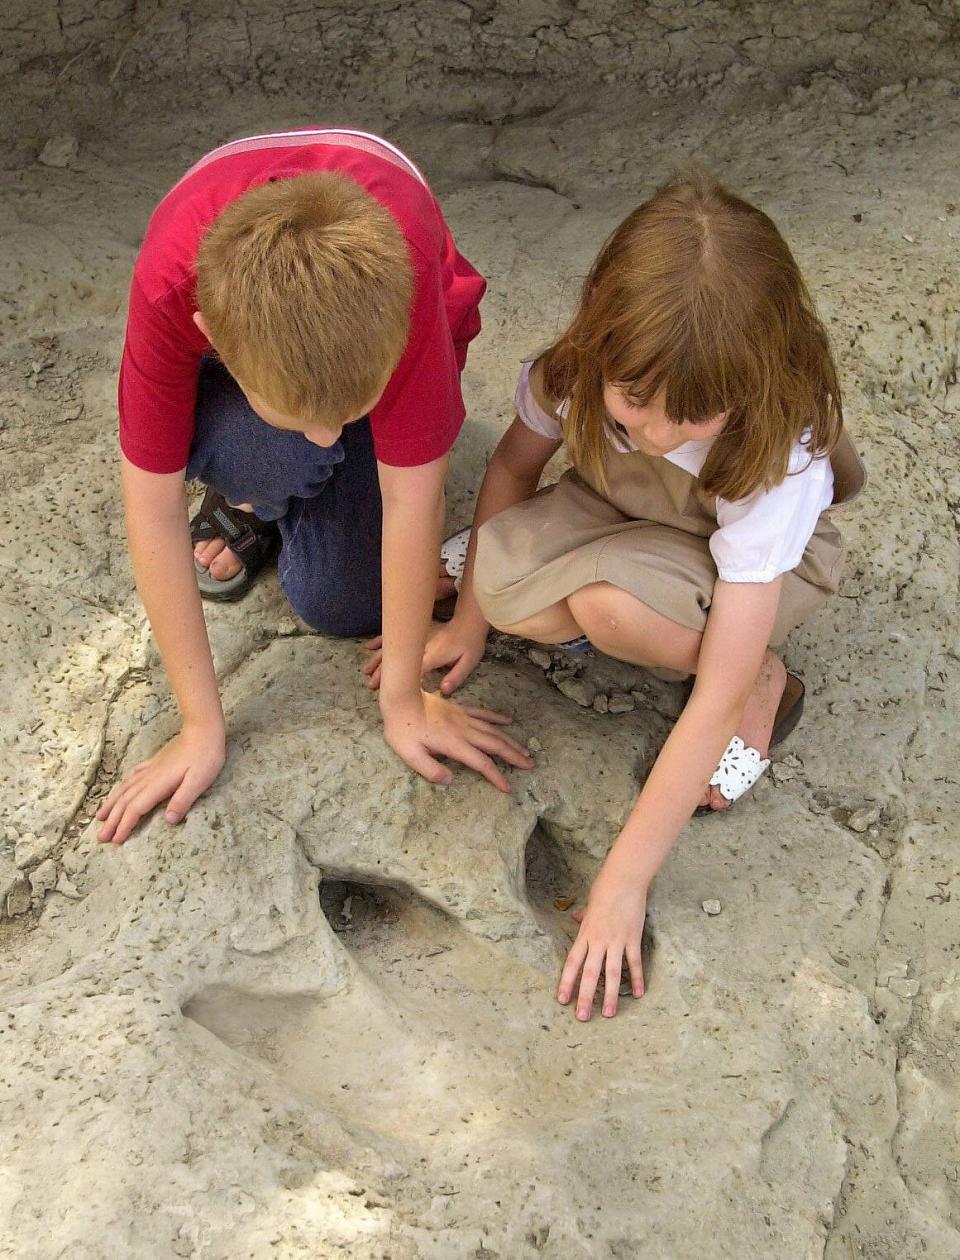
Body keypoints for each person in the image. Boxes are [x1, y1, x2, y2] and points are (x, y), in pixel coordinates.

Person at [367, 169, 865, 1020]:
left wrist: (621, 886)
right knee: (507, 591)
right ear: (601, 327)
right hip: (615, 507)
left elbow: (703, 708)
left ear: (756, 375)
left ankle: (764, 675)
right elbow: (516, 467)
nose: (659, 432)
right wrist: (476, 620)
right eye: (633, 405)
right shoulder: (580, 368)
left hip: (743, 564)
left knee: (613, 612)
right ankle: (570, 588)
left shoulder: (777, 454)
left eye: (691, 416)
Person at [96, 127, 533, 846]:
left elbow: (412, 497)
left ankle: (280, 476)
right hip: (268, 357)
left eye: (346, 418)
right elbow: (150, 507)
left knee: (342, 604)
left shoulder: (408, 284)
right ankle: (254, 495)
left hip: (357, 327)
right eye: (312, 419)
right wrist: (200, 724)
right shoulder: (169, 286)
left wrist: (404, 700)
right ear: (213, 336)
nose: (329, 433)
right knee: (275, 452)